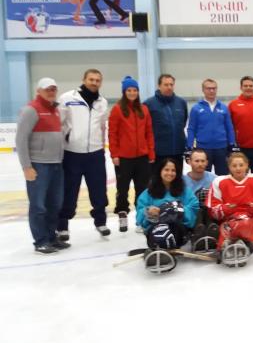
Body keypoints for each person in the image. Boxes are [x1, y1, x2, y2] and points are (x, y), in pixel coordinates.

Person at [16, 78, 69, 254]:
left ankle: (51, 238)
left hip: (56, 164)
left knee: (55, 204)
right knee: (38, 205)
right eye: (47, 89)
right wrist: (26, 166)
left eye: (54, 89)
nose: (51, 92)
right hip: (39, 165)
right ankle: (41, 241)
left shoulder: (55, 110)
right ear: (39, 91)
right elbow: (21, 139)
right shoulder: (31, 110)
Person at [57, 69, 110, 240]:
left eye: (97, 80)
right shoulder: (68, 98)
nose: (94, 83)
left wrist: (101, 147)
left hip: (95, 154)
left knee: (99, 191)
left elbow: (102, 126)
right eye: (91, 79)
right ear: (84, 79)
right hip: (72, 153)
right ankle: (62, 225)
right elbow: (59, 124)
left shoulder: (102, 102)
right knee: (69, 191)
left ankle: (100, 222)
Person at [207, 153, 253, 267]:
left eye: (241, 165)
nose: (238, 168)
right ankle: (231, 244)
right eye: (234, 165)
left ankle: (240, 244)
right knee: (230, 226)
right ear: (229, 167)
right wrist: (226, 208)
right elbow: (213, 208)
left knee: (247, 224)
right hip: (229, 220)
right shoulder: (219, 182)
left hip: (250, 219)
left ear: (247, 165)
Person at [135, 158, 199, 272]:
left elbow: (194, 207)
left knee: (171, 214)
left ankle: (162, 247)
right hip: (155, 228)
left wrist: (179, 210)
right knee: (159, 229)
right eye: (166, 169)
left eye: (173, 170)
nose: (170, 173)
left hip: (178, 229)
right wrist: (148, 211)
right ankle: (161, 245)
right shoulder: (148, 192)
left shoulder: (184, 190)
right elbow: (139, 216)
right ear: (160, 171)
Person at [108, 76, 154, 233]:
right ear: (124, 92)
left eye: (135, 90)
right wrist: (114, 154)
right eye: (129, 90)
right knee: (123, 188)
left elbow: (149, 133)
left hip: (142, 156)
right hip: (124, 157)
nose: (132, 93)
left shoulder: (144, 109)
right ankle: (122, 213)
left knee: (142, 189)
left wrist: (151, 153)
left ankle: (141, 218)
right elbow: (112, 133)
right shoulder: (117, 109)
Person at [186, 78, 236, 175]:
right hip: (203, 149)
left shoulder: (223, 108)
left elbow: (229, 127)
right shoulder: (196, 108)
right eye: (208, 88)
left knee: (223, 177)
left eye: (214, 88)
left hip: (222, 149)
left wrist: (232, 144)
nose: (212, 91)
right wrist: (189, 147)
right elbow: (191, 129)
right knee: (203, 176)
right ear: (203, 90)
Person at [144, 74, 188, 175]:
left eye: (171, 84)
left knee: (177, 180)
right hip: (158, 153)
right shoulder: (148, 104)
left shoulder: (181, 103)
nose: (169, 87)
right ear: (159, 86)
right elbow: (145, 129)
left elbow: (183, 122)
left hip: (177, 151)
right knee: (157, 182)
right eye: (166, 84)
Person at [182, 149, 217, 253]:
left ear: (207, 162)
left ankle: (213, 233)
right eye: (196, 161)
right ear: (189, 161)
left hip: (209, 212)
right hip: (192, 215)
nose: (200, 164)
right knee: (196, 213)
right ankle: (198, 235)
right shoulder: (181, 181)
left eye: (202, 161)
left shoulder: (214, 179)